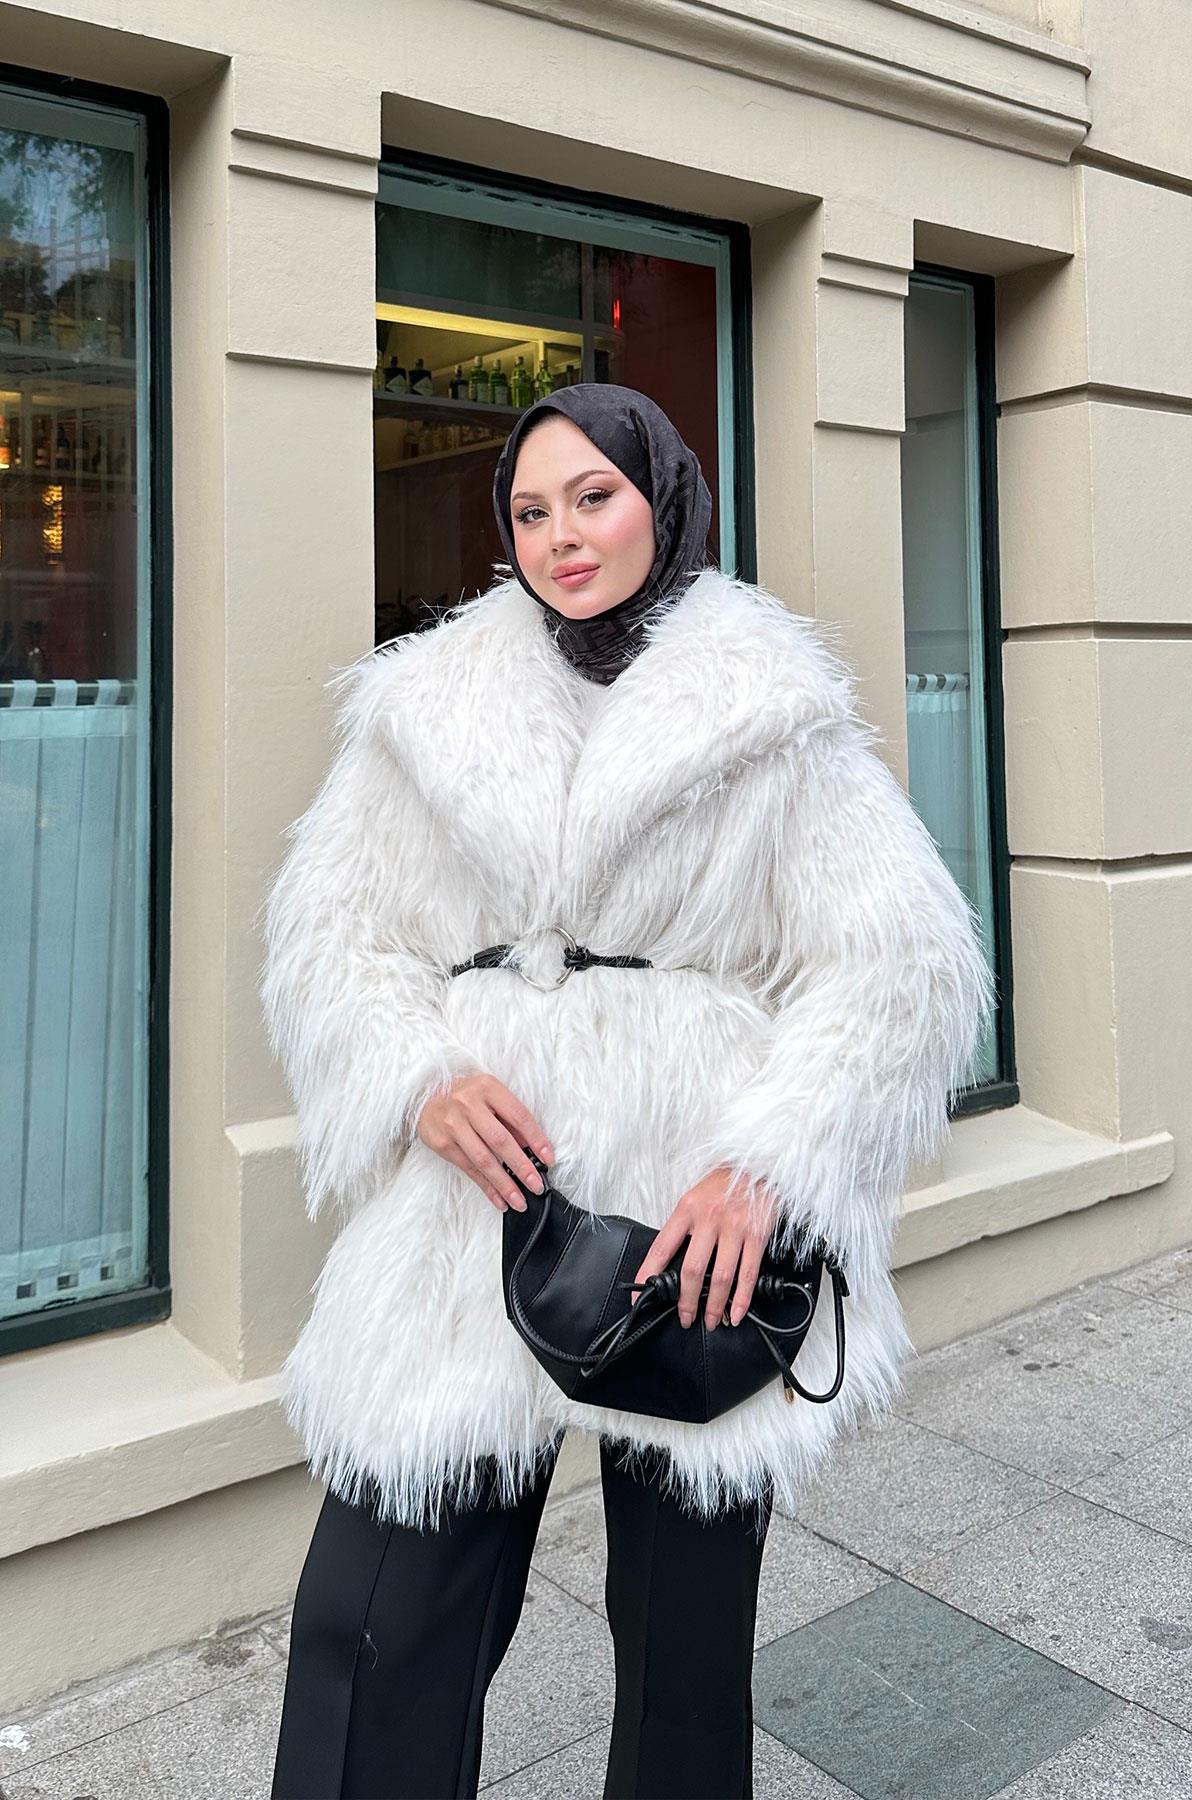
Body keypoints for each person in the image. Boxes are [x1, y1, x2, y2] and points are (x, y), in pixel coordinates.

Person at [261, 384, 994, 1799]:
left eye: (593, 497)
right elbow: (327, 935)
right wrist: (415, 1077)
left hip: (690, 1215)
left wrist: (769, 1167)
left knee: (685, 1649)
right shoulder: (429, 703)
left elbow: (903, 966)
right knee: (372, 1618)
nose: (563, 535)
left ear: (663, 498)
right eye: (532, 510)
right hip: (481, 1204)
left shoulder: (770, 708)